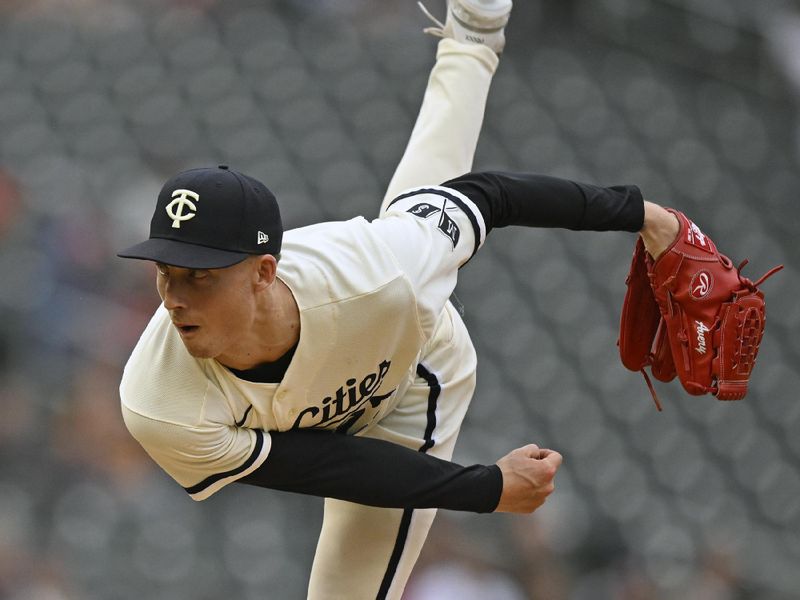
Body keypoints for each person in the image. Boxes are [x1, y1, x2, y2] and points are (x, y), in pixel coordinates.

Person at [117, 1, 680, 598]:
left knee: (416, 245)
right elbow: (324, 466)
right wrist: (485, 488)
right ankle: (472, 35)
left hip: (412, 373)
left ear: (262, 272)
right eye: (165, 271)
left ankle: (475, 37)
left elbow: (488, 196)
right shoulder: (158, 401)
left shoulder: (375, 277)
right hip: (357, 347)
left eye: (201, 276)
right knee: (416, 217)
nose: (174, 297)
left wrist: (647, 217)